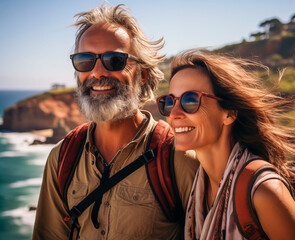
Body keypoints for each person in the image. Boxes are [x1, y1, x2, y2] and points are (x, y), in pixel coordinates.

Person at [33, 5, 198, 240]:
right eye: (85, 60)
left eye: (114, 60)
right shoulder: (62, 158)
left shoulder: (178, 157)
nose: (97, 72)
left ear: (141, 73)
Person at [156, 50, 295, 239]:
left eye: (190, 101)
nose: (174, 114)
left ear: (229, 113)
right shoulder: (198, 185)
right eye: (169, 102)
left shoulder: (264, 191)